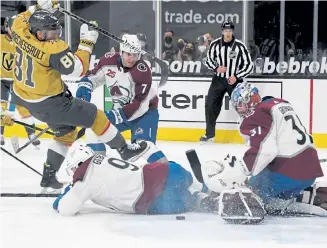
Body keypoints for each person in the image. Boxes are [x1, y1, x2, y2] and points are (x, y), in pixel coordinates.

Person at [7, 0, 149, 192]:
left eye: (56, 31)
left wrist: (43, 7)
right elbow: (77, 69)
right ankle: (124, 150)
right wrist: (87, 42)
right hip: (50, 103)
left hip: (22, 96)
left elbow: (23, 16)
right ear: (39, 34)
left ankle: (49, 176)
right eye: (50, 32)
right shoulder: (51, 48)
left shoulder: (18, 29)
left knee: (67, 132)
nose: (55, 35)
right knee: (96, 116)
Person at [53, 144, 265, 224]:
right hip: (171, 171)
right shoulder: (104, 158)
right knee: (193, 188)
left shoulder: (84, 178)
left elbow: (65, 209)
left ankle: (213, 200)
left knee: (194, 204)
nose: (73, 174)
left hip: (157, 199)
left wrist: (66, 193)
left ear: (77, 164)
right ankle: (213, 189)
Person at [201, 82, 327, 215]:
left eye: (242, 105)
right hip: (311, 170)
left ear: (250, 100)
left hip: (289, 172)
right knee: (267, 185)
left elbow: (265, 150)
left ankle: (217, 201)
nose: (240, 110)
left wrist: (242, 169)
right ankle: (304, 196)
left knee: (252, 190)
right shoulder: (278, 104)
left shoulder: (257, 114)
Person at [76, 34, 167, 164]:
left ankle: (166, 172)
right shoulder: (108, 61)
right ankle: (96, 168)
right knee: (94, 131)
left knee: (144, 146)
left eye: (135, 55)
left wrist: (115, 115)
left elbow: (139, 105)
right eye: (128, 54)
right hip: (121, 111)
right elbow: (92, 78)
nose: (131, 58)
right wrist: (84, 91)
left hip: (145, 114)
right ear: (121, 52)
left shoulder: (142, 71)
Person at [200, 21, 253, 143]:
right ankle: (209, 135)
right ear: (222, 31)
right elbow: (207, 61)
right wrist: (216, 68)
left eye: (230, 31)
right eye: (226, 31)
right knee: (210, 105)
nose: (228, 33)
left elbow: (249, 65)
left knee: (243, 108)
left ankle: (250, 135)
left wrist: (237, 76)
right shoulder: (215, 44)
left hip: (234, 81)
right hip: (218, 80)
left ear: (232, 32)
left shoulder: (240, 46)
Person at [0, 16, 40, 147]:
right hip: (1, 80)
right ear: (7, 27)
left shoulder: (23, 43)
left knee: (24, 108)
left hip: (17, 81)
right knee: (1, 108)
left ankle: (32, 134)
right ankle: (0, 134)